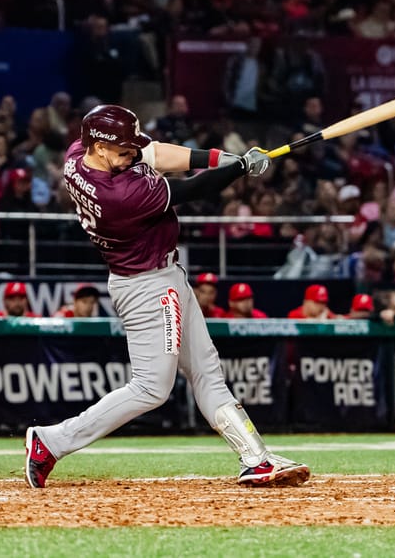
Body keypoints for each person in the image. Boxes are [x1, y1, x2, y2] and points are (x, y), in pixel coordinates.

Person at [25, 104, 307, 489]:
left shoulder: (81, 152)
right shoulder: (120, 195)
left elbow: (154, 152)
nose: (131, 153)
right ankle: (52, 441)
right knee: (150, 388)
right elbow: (192, 189)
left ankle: (255, 458)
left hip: (163, 274)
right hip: (146, 285)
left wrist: (219, 158)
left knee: (207, 370)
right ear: (102, 148)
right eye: (123, 149)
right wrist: (237, 170)